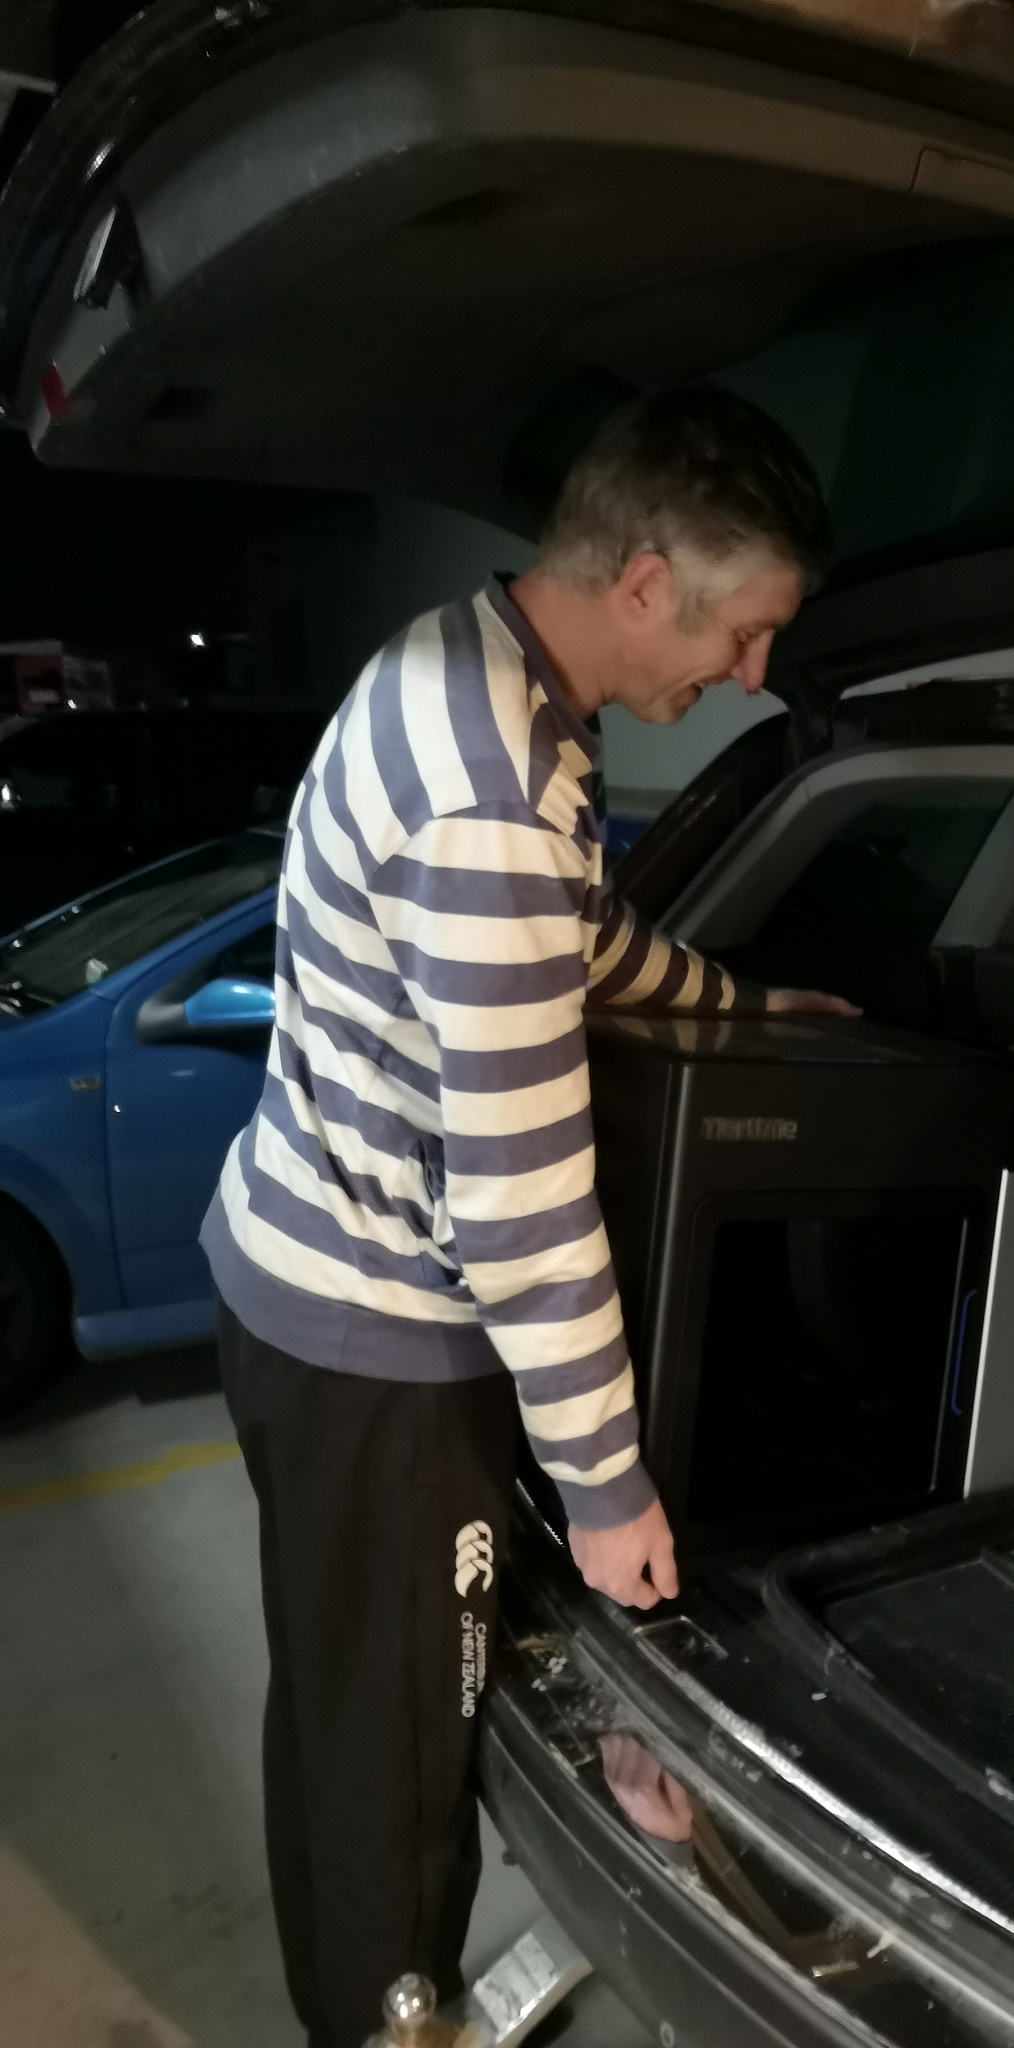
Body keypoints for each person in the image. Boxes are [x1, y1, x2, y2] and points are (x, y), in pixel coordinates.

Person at [201, 385, 854, 2048]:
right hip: (379, 1351)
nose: (753, 674)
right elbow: (519, 1203)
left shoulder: (477, 673)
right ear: (644, 584)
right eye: (747, 630)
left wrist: (740, 1004)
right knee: (399, 1769)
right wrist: (608, 1488)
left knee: (343, 1714)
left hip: (297, 1280)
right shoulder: (492, 788)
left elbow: (582, 941)